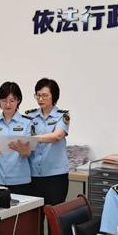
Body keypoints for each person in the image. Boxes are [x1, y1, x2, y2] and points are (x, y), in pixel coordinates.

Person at [26, 78, 70, 206]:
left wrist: (34, 138)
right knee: (35, 214)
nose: (40, 99)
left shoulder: (62, 116)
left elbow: (57, 136)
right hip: (34, 174)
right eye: (38, 95)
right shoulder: (30, 116)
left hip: (56, 175)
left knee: (54, 214)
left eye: (45, 95)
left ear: (53, 96)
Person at [0, 82, 32, 195]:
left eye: (12, 100)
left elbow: (28, 153)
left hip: (19, 180)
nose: (8, 104)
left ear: (18, 100)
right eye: (4, 100)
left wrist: (23, 151)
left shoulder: (27, 123)